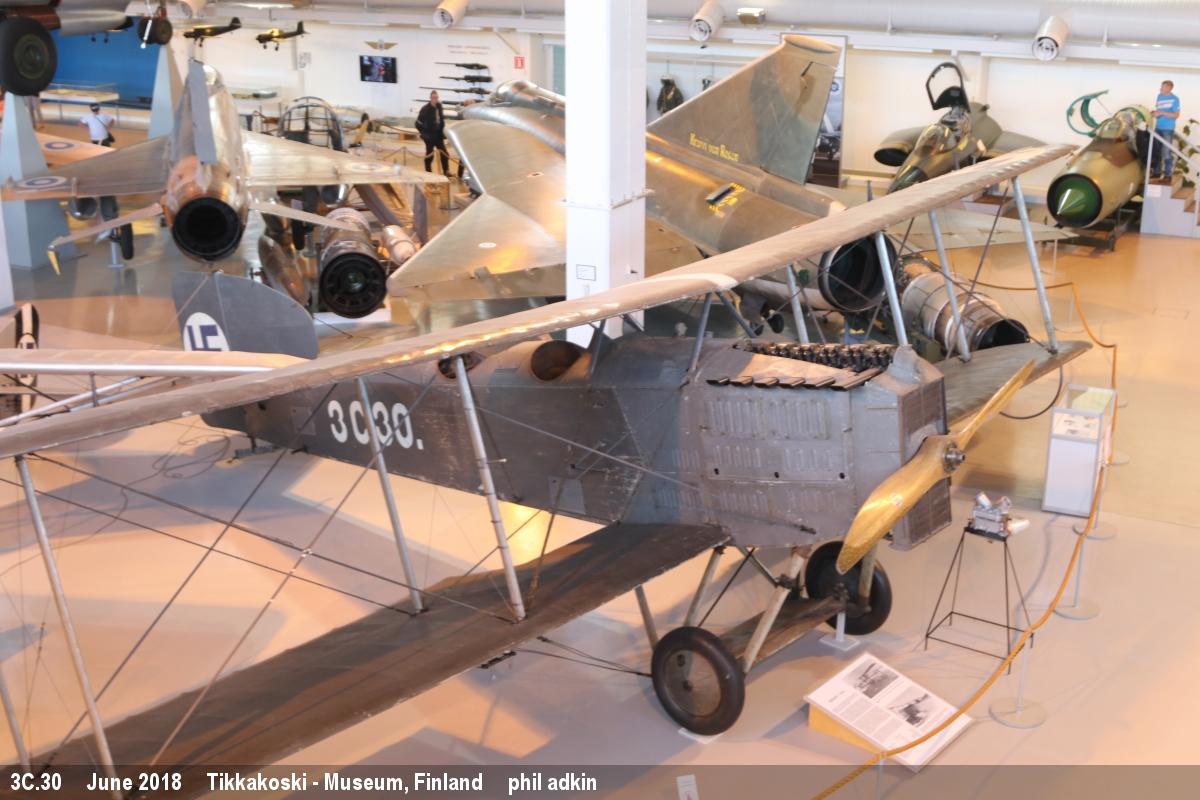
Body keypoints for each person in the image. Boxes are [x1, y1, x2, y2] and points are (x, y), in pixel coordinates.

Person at [1151, 79, 1180, 179]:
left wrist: (1162, 113)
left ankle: (1168, 175)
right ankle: (1157, 172)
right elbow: (1159, 111)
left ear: (1169, 88)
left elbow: (1176, 115)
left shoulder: (1175, 99)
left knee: (1166, 152)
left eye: (1163, 87)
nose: (1160, 89)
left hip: (1168, 129)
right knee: (1156, 151)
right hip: (1158, 127)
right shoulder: (1159, 96)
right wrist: (1155, 114)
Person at [415, 90, 450, 174]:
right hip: (429, 136)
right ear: (430, 98)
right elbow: (417, 123)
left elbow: (441, 119)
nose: (435, 99)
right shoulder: (425, 109)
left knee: (445, 154)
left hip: (438, 135)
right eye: (434, 98)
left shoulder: (439, 106)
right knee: (430, 155)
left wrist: (441, 130)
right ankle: (428, 172)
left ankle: (446, 171)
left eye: (436, 98)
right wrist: (424, 132)